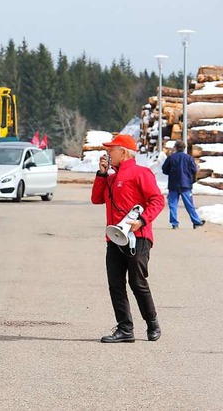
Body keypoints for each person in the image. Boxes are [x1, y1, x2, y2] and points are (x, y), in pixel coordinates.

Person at [91, 134, 165, 343]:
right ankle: (125, 329)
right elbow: (96, 199)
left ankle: (152, 323)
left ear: (123, 152)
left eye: (111, 149)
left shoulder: (141, 173)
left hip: (138, 238)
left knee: (137, 283)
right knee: (115, 284)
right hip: (115, 238)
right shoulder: (111, 177)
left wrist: (142, 220)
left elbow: (157, 200)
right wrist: (102, 175)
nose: (108, 153)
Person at [161, 140, 205, 229]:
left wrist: (171, 172)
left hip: (173, 184)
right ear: (184, 148)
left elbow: (164, 170)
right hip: (186, 184)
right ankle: (196, 222)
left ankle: (174, 223)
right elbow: (194, 170)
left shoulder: (171, 157)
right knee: (189, 205)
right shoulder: (189, 158)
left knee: (173, 204)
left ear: (176, 147)